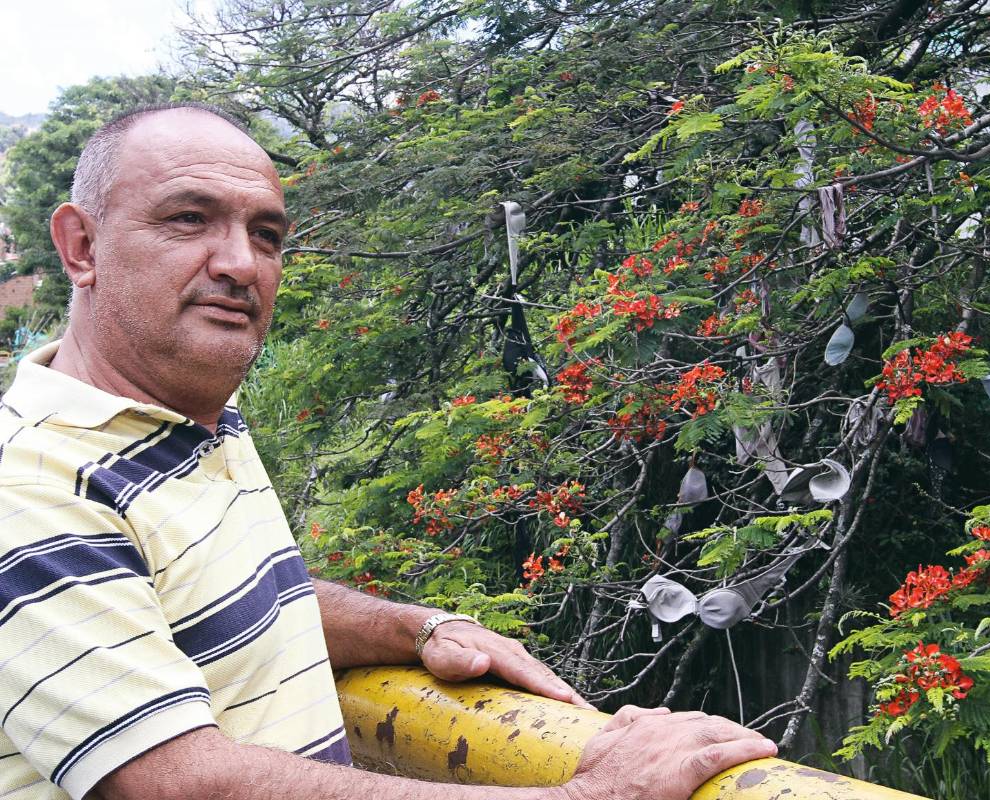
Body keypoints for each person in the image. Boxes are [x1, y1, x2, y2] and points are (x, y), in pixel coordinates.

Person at [0, 103, 777, 800]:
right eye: (188, 219)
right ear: (81, 246)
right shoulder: (32, 482)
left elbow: (228, 594)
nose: (240, 263)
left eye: (265, 234)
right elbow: (172, 782)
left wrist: (418, 629)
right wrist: (599, 796)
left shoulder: (190, 414)